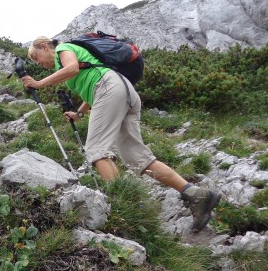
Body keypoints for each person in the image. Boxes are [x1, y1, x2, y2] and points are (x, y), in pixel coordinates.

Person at [22, 36, 221, 232]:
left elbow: (73, 69)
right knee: (137, 158)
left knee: (96, 150)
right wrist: (80, 113)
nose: (38, 63)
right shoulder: (76, 58)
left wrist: (39, 84)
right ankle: (196, 194)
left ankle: (124, 208)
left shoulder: (63, 49)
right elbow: (93, 85)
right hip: (123, 90)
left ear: (44, 46)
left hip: (109, 88)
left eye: (36, 57)